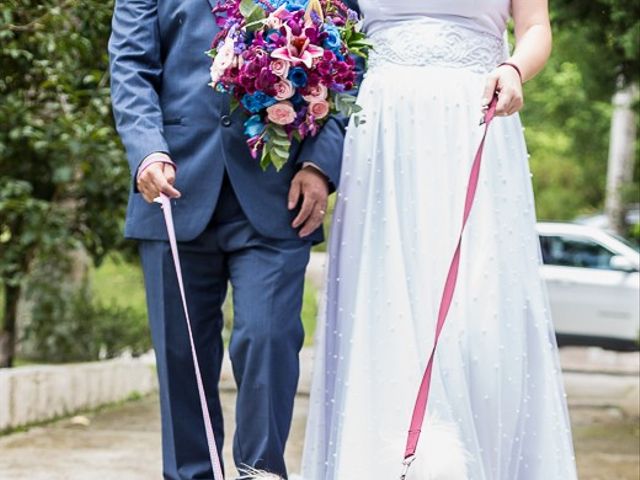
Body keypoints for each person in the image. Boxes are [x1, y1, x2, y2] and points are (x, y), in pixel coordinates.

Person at [301, 1, 579, 479]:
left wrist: (514, 67)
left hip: (475, 115)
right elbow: (329, 29)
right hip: (383, 127)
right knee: (381, 314)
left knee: (478, 324)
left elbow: (534, 28)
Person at [107, 0, 355, 477]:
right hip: (171, 187)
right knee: (182, 361)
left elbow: (348, 66)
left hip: (277, 189)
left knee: (268, 339)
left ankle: (260, 473)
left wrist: (320, 164)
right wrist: (146, 151)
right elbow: (130, 67)